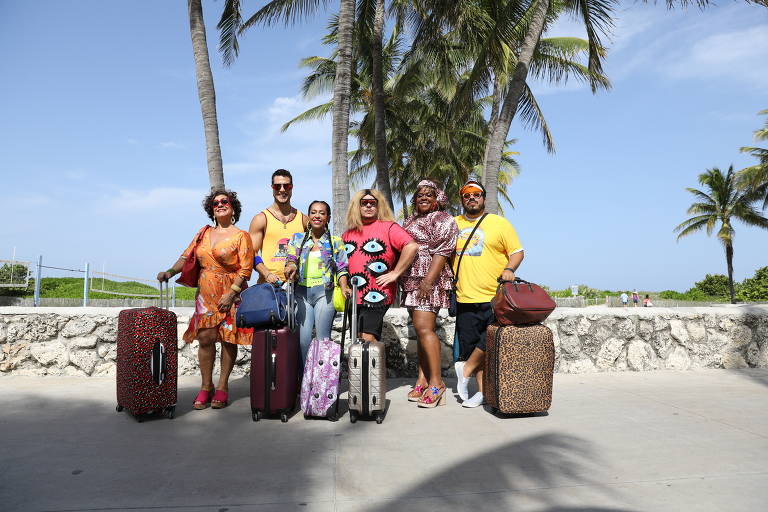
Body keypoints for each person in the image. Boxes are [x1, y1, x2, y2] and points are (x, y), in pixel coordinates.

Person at [157, 189, 254, 410]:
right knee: (206, 337)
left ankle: (222, 386)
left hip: (232, 292)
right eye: (215, 203)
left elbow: (246, 268)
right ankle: (206, 385)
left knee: (229, 338)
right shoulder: (203, 233)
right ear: (211, 209)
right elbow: (186, 256)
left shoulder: (241, 236)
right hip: (206, 293)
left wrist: (232, 293)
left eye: (224, 201)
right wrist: (170, 272)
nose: (219, 204)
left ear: (233, 207)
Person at [452, 180, 524, 408]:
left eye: (476, 194)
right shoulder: (453, 224)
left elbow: (517, 252)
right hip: (464, 297)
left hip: (495, 297)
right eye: (466, 195)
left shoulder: (499, 224)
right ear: (462, 199)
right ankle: (482, 394)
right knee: (475, 347)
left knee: (490, 342)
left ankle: (465, 369)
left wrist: (509, 269)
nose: (471, 198)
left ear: (483, 197)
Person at [401, 180, 458, 408]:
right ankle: (422, 378)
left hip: (429, 278)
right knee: (420, 329)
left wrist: (428, 281)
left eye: (429, 195)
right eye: (420, 195)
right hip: (411, 279)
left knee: (425, 329)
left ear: (437, 199)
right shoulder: (410, 220)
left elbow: (443, 252)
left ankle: (437, 382)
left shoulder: (443, 219)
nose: (424, 198)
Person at [342, 189, 419, 343]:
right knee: (357, 339)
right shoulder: (348, 234)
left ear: (379, 206)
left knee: (368, 338)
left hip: (377, 292)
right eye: (364, 203)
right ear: (357, 206)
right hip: (353, 296)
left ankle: (377, 367)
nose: (368, 206)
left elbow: (411, 247)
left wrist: (395, 273)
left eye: (373, 203)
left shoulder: (389, 227)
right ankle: (369, 368)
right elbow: (341, 264)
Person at [284, 201, 351, 366]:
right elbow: (291, 260)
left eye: (322, 213)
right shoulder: (297, 239)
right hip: (301, 294)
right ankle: (305, 381)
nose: (317, 216)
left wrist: (344, 286)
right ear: (309, 216)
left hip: (325, 294)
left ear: (327, 217)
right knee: (303, 341)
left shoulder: (335, 242)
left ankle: (323, 383)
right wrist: (290, 267)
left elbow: (342, 269)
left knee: (322, 340)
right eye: (313, 212)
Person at [248, 169, 309, 284]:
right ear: (272, 188)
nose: (282, 190)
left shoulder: (304, 220)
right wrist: (267, 274)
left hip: (298, 287)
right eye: (277, 186)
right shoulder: (261, 219)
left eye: (286, 186)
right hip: (269, 286)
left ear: (292, 188)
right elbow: (251, 253)